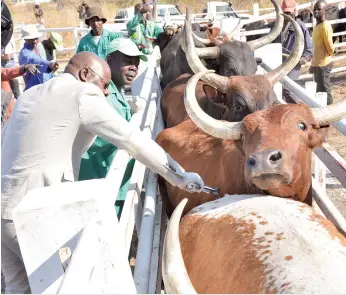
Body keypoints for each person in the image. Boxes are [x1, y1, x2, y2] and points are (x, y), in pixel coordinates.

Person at [1, 51, 204, 294]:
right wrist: (180, 177)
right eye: (104, 84)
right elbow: (132, 140)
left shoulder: (30, 94)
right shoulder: (81, 93)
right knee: (61, 286)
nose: (107, 93)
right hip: (33, 214)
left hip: (3, 207)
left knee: (17, 287)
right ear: (85, 74)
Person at [78, 38, 148, 216]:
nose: (134, 67)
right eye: (127, 61)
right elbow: (110, 137)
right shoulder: (102, 95)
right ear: (109, 61)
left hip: (111, 177)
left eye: (136, 63)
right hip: (100, 179)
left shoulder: (117, 91)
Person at [279, 0, 314, 103]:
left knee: (288, 89)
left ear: (295, 10)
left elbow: (309, 48)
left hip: (293, 65)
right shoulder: (278, 25)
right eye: (285, 12)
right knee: (279, 91)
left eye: (289, 12)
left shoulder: (300, 26)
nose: (288, 15)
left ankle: (302, 108)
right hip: (279, 64)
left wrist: (304, 58)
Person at [309, 0, 335, 105]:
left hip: (324, 64)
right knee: (319, 91)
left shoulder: (325, 26)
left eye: (319, 9)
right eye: (315, 9)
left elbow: (330, 47)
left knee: (325, 91)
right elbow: (315, 48)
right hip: (317, 64)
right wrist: (313, 64)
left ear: (325, 11)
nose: (316, 11)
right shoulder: (316, 27)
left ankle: (331, 112)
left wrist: (327, 56)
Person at [19, 25, 58, 91]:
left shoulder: (39, 48)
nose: (34, 41)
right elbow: (35, 60)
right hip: (34, 88)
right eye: (31, 39)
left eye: (36, 38)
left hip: (45, 85)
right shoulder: (24, 53)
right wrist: (49, 64)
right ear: (25, 39)